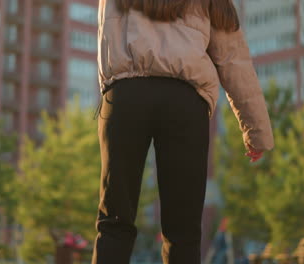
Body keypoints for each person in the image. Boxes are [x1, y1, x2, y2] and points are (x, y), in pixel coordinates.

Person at [92, 0, 274, 263]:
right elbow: (233, 57)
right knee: (183, 232)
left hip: (125, 96)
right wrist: (257, 132)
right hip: (185, 103)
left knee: (114, 221)